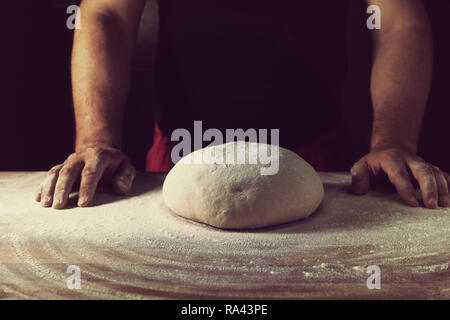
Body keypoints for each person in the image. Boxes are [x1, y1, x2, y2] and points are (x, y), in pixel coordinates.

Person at [36, 0, 450, 210]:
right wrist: (96, 138)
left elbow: (397, 18)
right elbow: (107, 13)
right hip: (177, 161)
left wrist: (393, 140)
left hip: (317, 166)